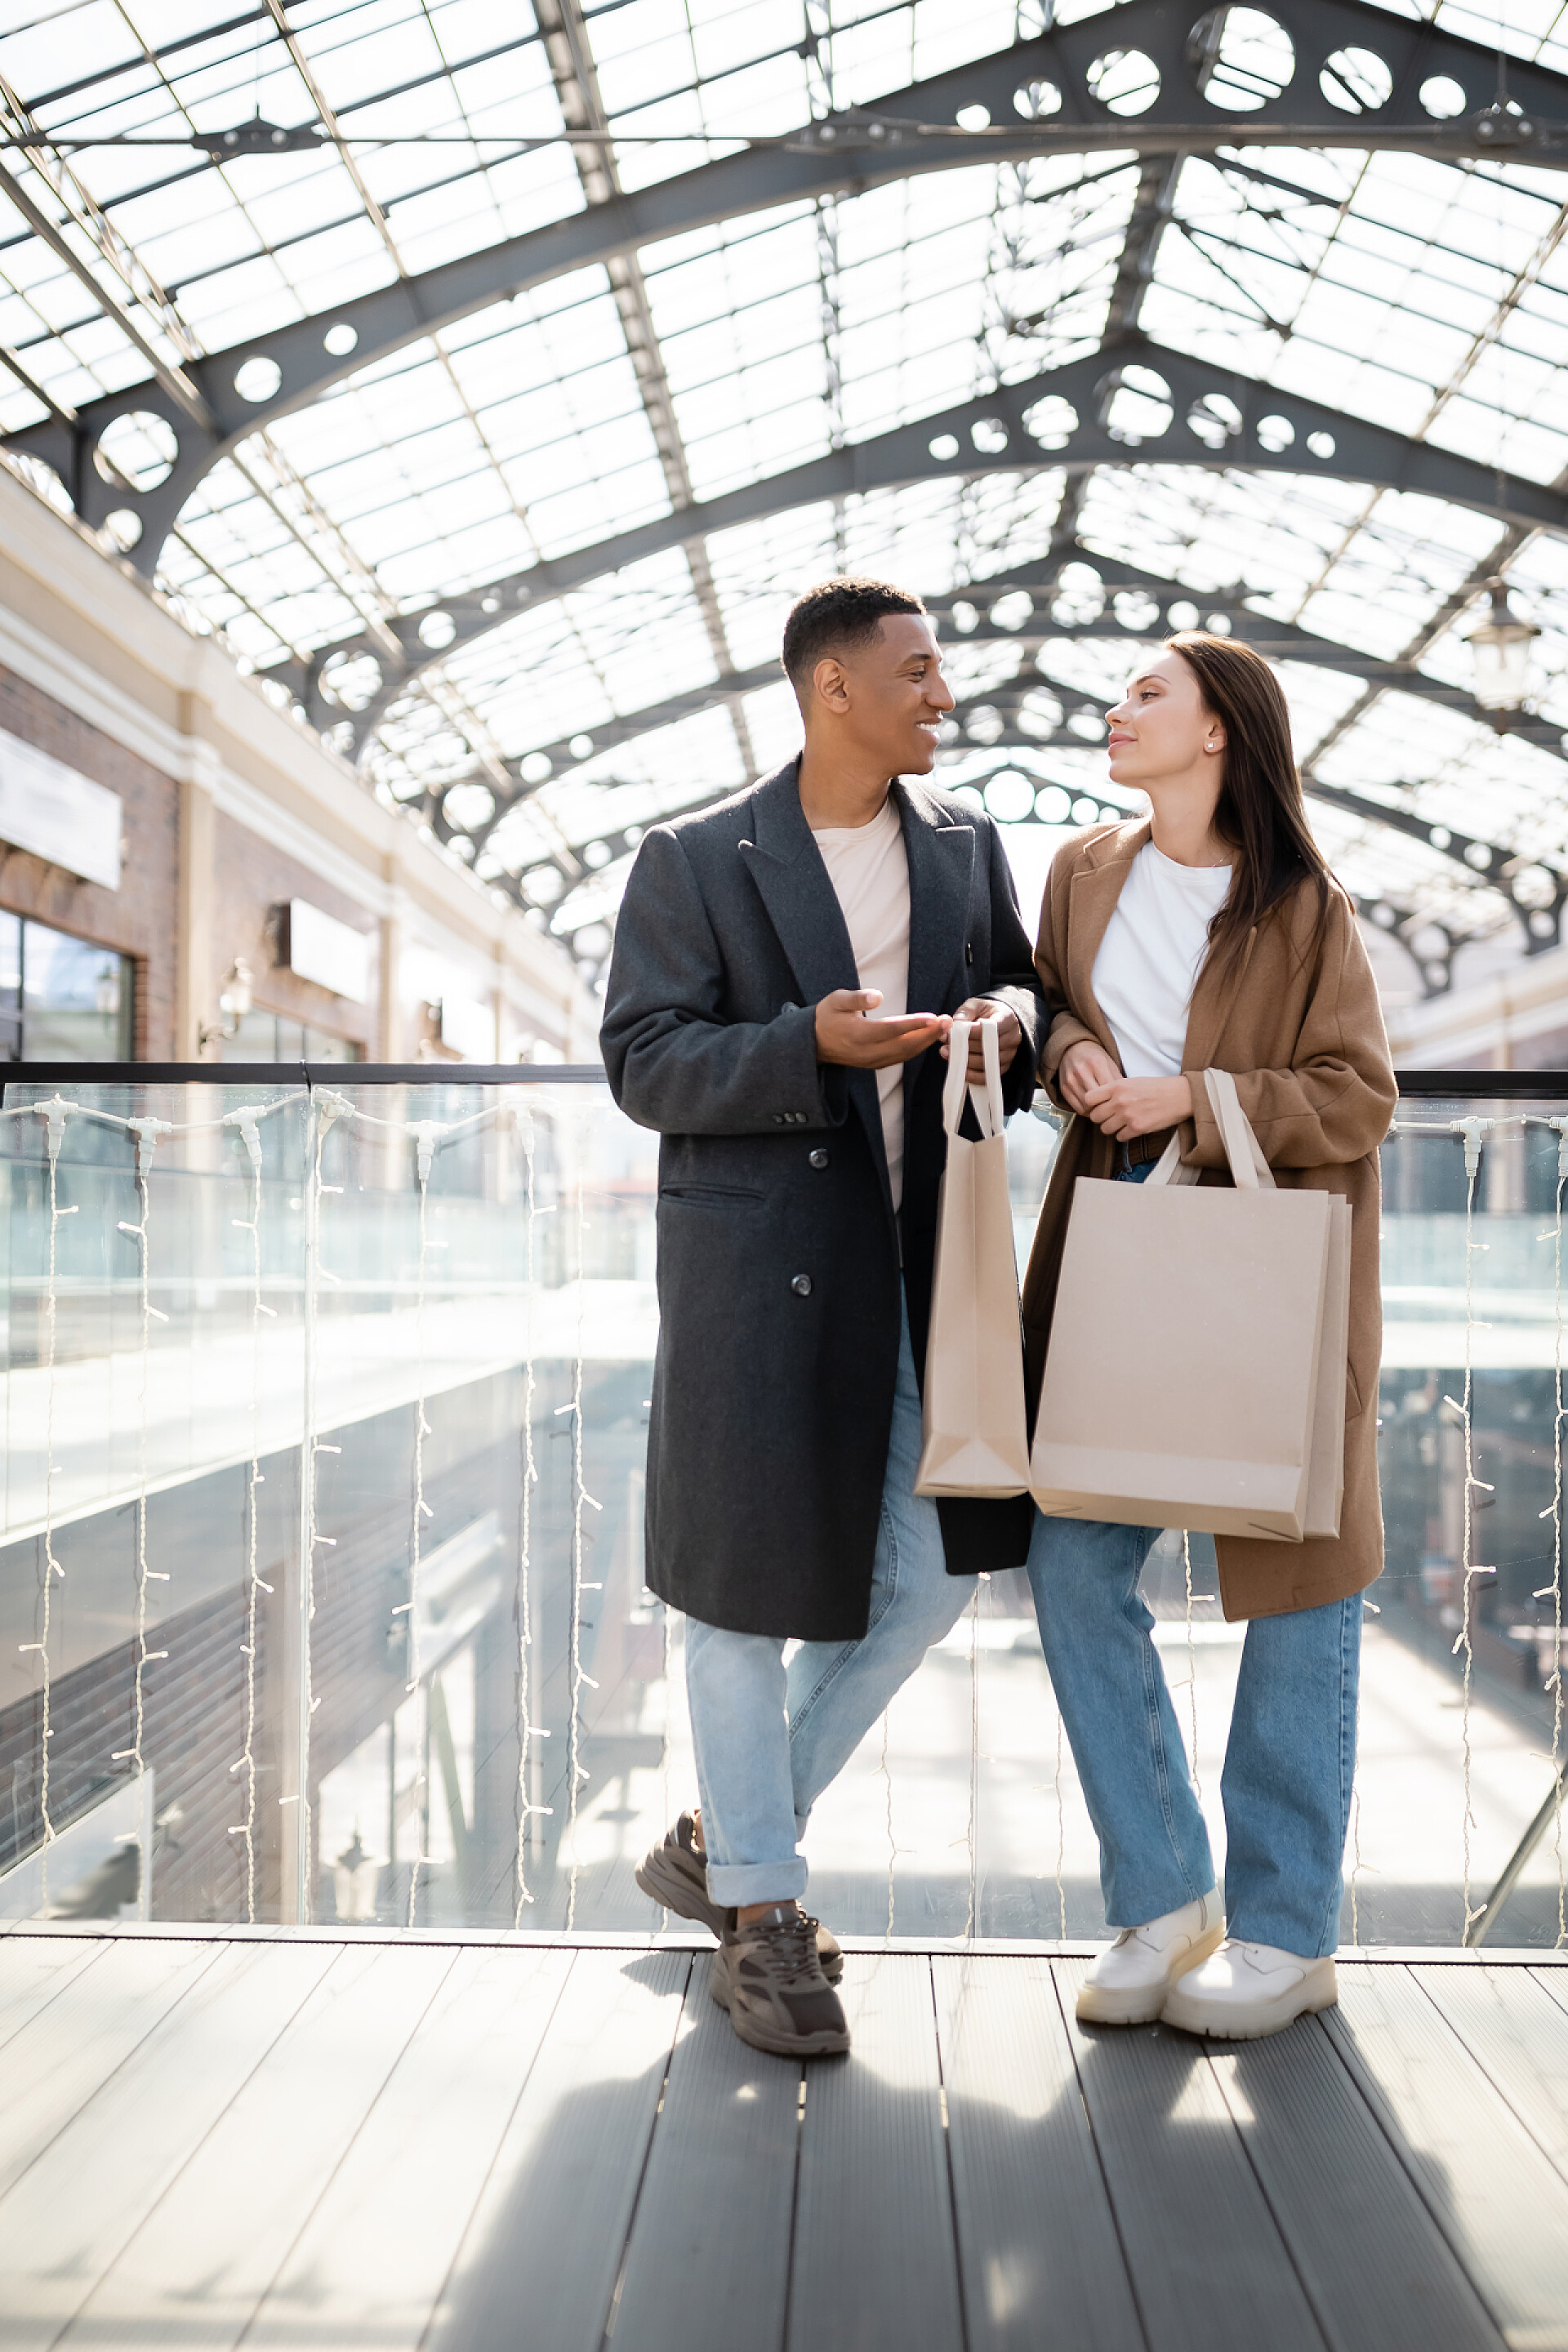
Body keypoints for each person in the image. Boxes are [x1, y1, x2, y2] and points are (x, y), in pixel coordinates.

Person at [600, 577, 1046, 2059]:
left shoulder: (970, 851)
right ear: (832, 688)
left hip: (926, 1274)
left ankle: (728, 1841)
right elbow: (647, 1063)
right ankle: (768, 1917)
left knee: (925, 1578)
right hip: (756, 1280)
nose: (945, 697)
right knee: (734, 1599)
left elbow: (1026, 1003)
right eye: (919, 672)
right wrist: (812, 1048)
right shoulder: (693, 857)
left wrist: (1006, 1030)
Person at [1019, 631, 1396, 2042]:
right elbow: (1053, 1000)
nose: (1117, 712)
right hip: (1114, 1238)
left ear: (1220, 731)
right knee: (1070, 1557)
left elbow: (1358, 1095)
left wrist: (1200, 1094)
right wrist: (1073, 1056)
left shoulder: (1307, 905)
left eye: (1146, 694)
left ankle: (1290, 1932)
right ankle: (1165, 1896)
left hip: (1266, 1255)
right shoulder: (1083, 872)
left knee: (1302, 1580)